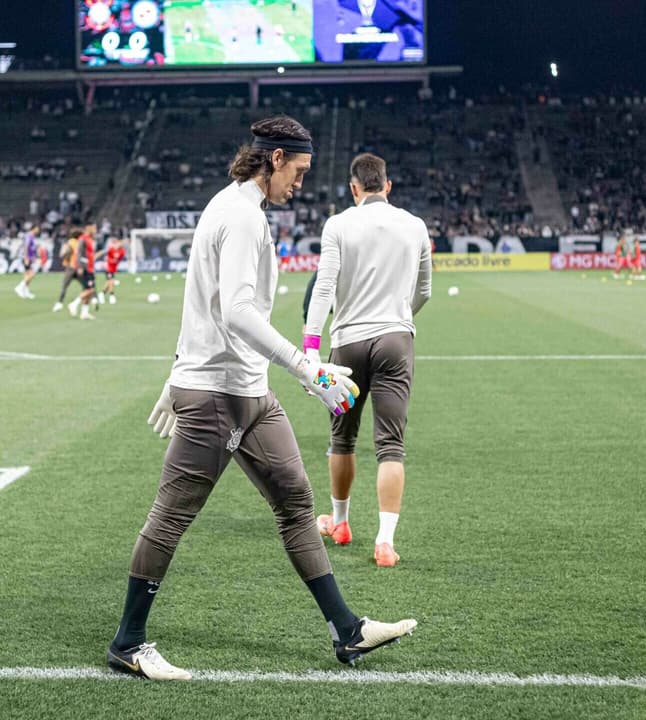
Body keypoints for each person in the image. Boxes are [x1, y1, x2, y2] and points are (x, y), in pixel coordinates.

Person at [107, 116, 416, 682]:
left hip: (249, 392)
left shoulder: (231, 207)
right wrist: (307, 367)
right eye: (297, 171)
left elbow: (201, 299)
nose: (300, 183)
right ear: (274, 159)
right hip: (219, 395)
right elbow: (234, 310)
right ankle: (128, 642)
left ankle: (346, 631)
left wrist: (178, 369)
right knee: (172, 516)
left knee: (297, 504)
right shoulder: (242, 216)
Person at [303, 153, 432, 568]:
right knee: (391, 445)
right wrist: (399, 316)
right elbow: (424, 291)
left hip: (348, 343)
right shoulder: (414, 225)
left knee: (342, 438)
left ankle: (340, 522)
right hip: (396, 338)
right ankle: (385, 542)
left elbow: (323, 289)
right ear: (388, 186)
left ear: (354, 188)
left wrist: (310, 349)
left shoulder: (338, 224)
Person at [66, 224, 98, 320]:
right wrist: (79, 267)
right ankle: (74, 304)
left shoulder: (90, 239)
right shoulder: (83, 239)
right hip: (85, 268)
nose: (95, 230)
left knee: (87, 290)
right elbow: (78, 253)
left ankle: (84, 312)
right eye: (94, 228)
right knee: (91, 290)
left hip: (90, 268)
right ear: (88, 228)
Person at [15, 225, 47, 300]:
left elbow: (31, 247)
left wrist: (34, 255)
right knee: (31, 274)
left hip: (30, 257)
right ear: (34, 228)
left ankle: (25, 291)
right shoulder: (29, 235)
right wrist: (26, 258)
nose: (38, 230)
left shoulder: (32, 236)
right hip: (26, 257)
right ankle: (19, 287)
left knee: (27, 274)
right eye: (37, 229)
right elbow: (26, 246)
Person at [52, 231, 81, 312]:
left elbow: (66, 252)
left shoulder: (71, 242)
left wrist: (64, 257)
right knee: (86, 286)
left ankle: (59, 303)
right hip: (78, 267)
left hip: (71, 267)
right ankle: (93, 299)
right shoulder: (78, 242)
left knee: (64, 286)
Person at [99, 236, 126, 305]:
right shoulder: (111, 249)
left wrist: (114, 261)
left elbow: (118, 260)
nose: (119, 244)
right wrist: (104, 263)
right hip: (108, 268)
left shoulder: (122, 251)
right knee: (111, 281)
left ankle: (102, 294)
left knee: (109, 282)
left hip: (113, 269)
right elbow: (106, 256)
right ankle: (112, 295)